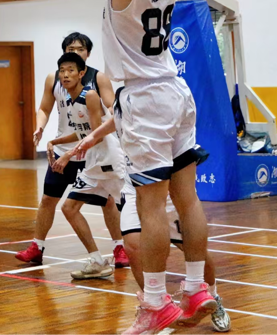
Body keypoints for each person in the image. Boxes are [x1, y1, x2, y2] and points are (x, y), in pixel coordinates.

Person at [76, 0, 216, 334]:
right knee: (187, 199)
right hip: (176, 91)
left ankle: (155, 301)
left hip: (145, 100)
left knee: (151, 206)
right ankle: (196, 286)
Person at [79, 121, 232, 332]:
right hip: (133, 183)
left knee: (193, 250)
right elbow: (117, 113)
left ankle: (211, 295)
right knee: (133, 246)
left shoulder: (160, 108)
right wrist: (93, 136)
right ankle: (157, 307)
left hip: (166, 185)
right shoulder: (125, 105)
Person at [16, 33, 127, 267]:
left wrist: (113, 117)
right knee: (50, 200)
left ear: (87, 55)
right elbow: (51, 113)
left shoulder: (95, 84)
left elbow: (104, 119)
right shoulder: (58, 83)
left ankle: (121, 248)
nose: (75, 53)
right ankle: (38, 247)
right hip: (70, 149)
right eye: (70, 49)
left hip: (95, 154)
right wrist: (46, 135)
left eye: (80, 49)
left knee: (110, 202)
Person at [50, 53, 126, 280]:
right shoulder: (69, 99)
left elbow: (97, 135)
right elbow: (82, 132)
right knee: (69, 208)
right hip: (94, 164)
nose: (65, 75)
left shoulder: (90, 95)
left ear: (82, 73)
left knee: (141, 211)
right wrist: (55, 141)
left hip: (110, 161)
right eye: (62, 70)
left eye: (71, 70)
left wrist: (68, 155)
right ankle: (97, 261)